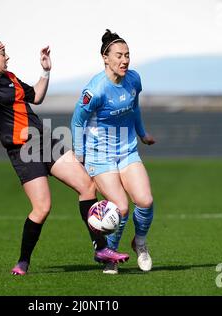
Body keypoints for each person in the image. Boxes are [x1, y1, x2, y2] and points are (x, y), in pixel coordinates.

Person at [0, 37, 129, 275]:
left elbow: (36, 97)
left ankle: (101, 249)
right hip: (22, 150)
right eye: (2, 54)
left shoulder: (10, 78)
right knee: (42, 208)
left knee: (87, 186)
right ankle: (23, 261)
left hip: (45, 141)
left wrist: (45, 70)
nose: (7, 57)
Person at [71, 29, 156, 274]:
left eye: (127, 55)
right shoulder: (95, 90)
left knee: (145, 201)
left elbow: (134, 107)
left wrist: (142, 133)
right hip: (99, 154)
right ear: (105, 58)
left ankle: (140, 243)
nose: (125, 60)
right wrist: (79, 155)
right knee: (120, 208)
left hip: (127, 151)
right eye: (119, 55)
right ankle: (111, 256)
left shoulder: (133, 79)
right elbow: (77, 122)